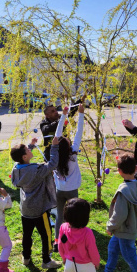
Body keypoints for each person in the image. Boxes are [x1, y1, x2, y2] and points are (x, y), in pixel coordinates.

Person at [10, 137, 62, 269]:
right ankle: (46, 261)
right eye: (27, 149)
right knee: (46, 235)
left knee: (27, 234)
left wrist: (31, 145)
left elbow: (21, 158)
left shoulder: (16, 169)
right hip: (40, 210)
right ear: (24, 156)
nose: (29, 149)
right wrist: (55, 146)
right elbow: (53, 163)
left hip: (25, 209)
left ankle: (26, 257)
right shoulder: (37, 170)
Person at [98, 154, 137, 272]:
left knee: (129, 255)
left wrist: (110, 227)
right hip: (132, 226)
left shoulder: (124, 190)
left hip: (125, 230)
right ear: (136, 168)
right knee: (113, 248)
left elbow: (120, 214)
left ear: (119, 171)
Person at [53, 104, 84, 252]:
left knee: (60, 215)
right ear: (70, 146)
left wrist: (64, 115)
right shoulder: (73, 155)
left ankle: (57, 241)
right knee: (72, 215)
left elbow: (57, 134)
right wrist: (81, 114)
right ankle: (72, 239)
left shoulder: (55, 155)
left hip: (59, 189)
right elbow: (79, 132)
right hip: (72, 191)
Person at [58, 198, 100, 272]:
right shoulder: (87, 232)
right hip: (86, 267)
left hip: (69, 264)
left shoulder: (63, 227)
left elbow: (60, 245)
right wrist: (96, 263)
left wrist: (64, 258)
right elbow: (93, 251)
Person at [40, 93, 86, 161]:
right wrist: (62, 120)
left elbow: (71, 112)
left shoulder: (61, 118)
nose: (56, 112)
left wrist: (81, 100)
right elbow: (47, 129)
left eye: (55, 110)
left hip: (64, 154)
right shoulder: (44, 124)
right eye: (52, 111)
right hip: (50, 157)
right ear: (47, 115)